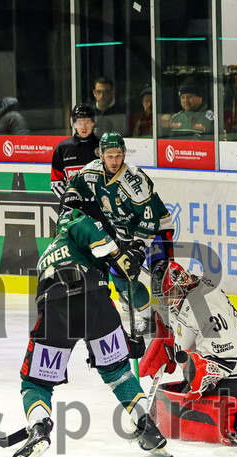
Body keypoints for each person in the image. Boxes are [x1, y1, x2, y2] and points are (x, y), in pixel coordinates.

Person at [9, 208, 168, 457]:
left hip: (56, 307)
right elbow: (88, 230)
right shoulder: (76, 227)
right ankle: (147, 427)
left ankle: (39, 430)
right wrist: (120, 255)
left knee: (35, 382)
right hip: (96, 301)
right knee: (117, 372)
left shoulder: (47, 255)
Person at [139, 259, 237, 446]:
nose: (166, 301)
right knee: (176, 399)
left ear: (182, 284)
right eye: (163, 297)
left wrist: (199, 384)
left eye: (170, 294)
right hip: (217, 364)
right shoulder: (186, 292)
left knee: (187, 408)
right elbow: (182, 327)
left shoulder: (204, 305)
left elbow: (225, 356)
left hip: (236, 371)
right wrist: (168, 344)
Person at [62, 132, 174, 335]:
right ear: (101, 155)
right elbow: (75, 185)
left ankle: (176, 322)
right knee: (121, 279)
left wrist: (139, 249)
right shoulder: (92, 172)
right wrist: (71, 195)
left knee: (161, 277)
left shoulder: (134, 181)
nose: (115, 161)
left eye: (118, 155)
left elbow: (149, 219)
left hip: (156, 229)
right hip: (125, 233)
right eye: (110, 155)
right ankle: (149, 318)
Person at [50, 103, 99, 198]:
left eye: (87, 122)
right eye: (80, 123)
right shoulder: (62, 148)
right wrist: (69, 199)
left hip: (98, 207)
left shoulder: (102, 146)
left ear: (93, 123)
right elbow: (56, 182)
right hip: (72, 207)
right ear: (74, 123)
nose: (84, 127)